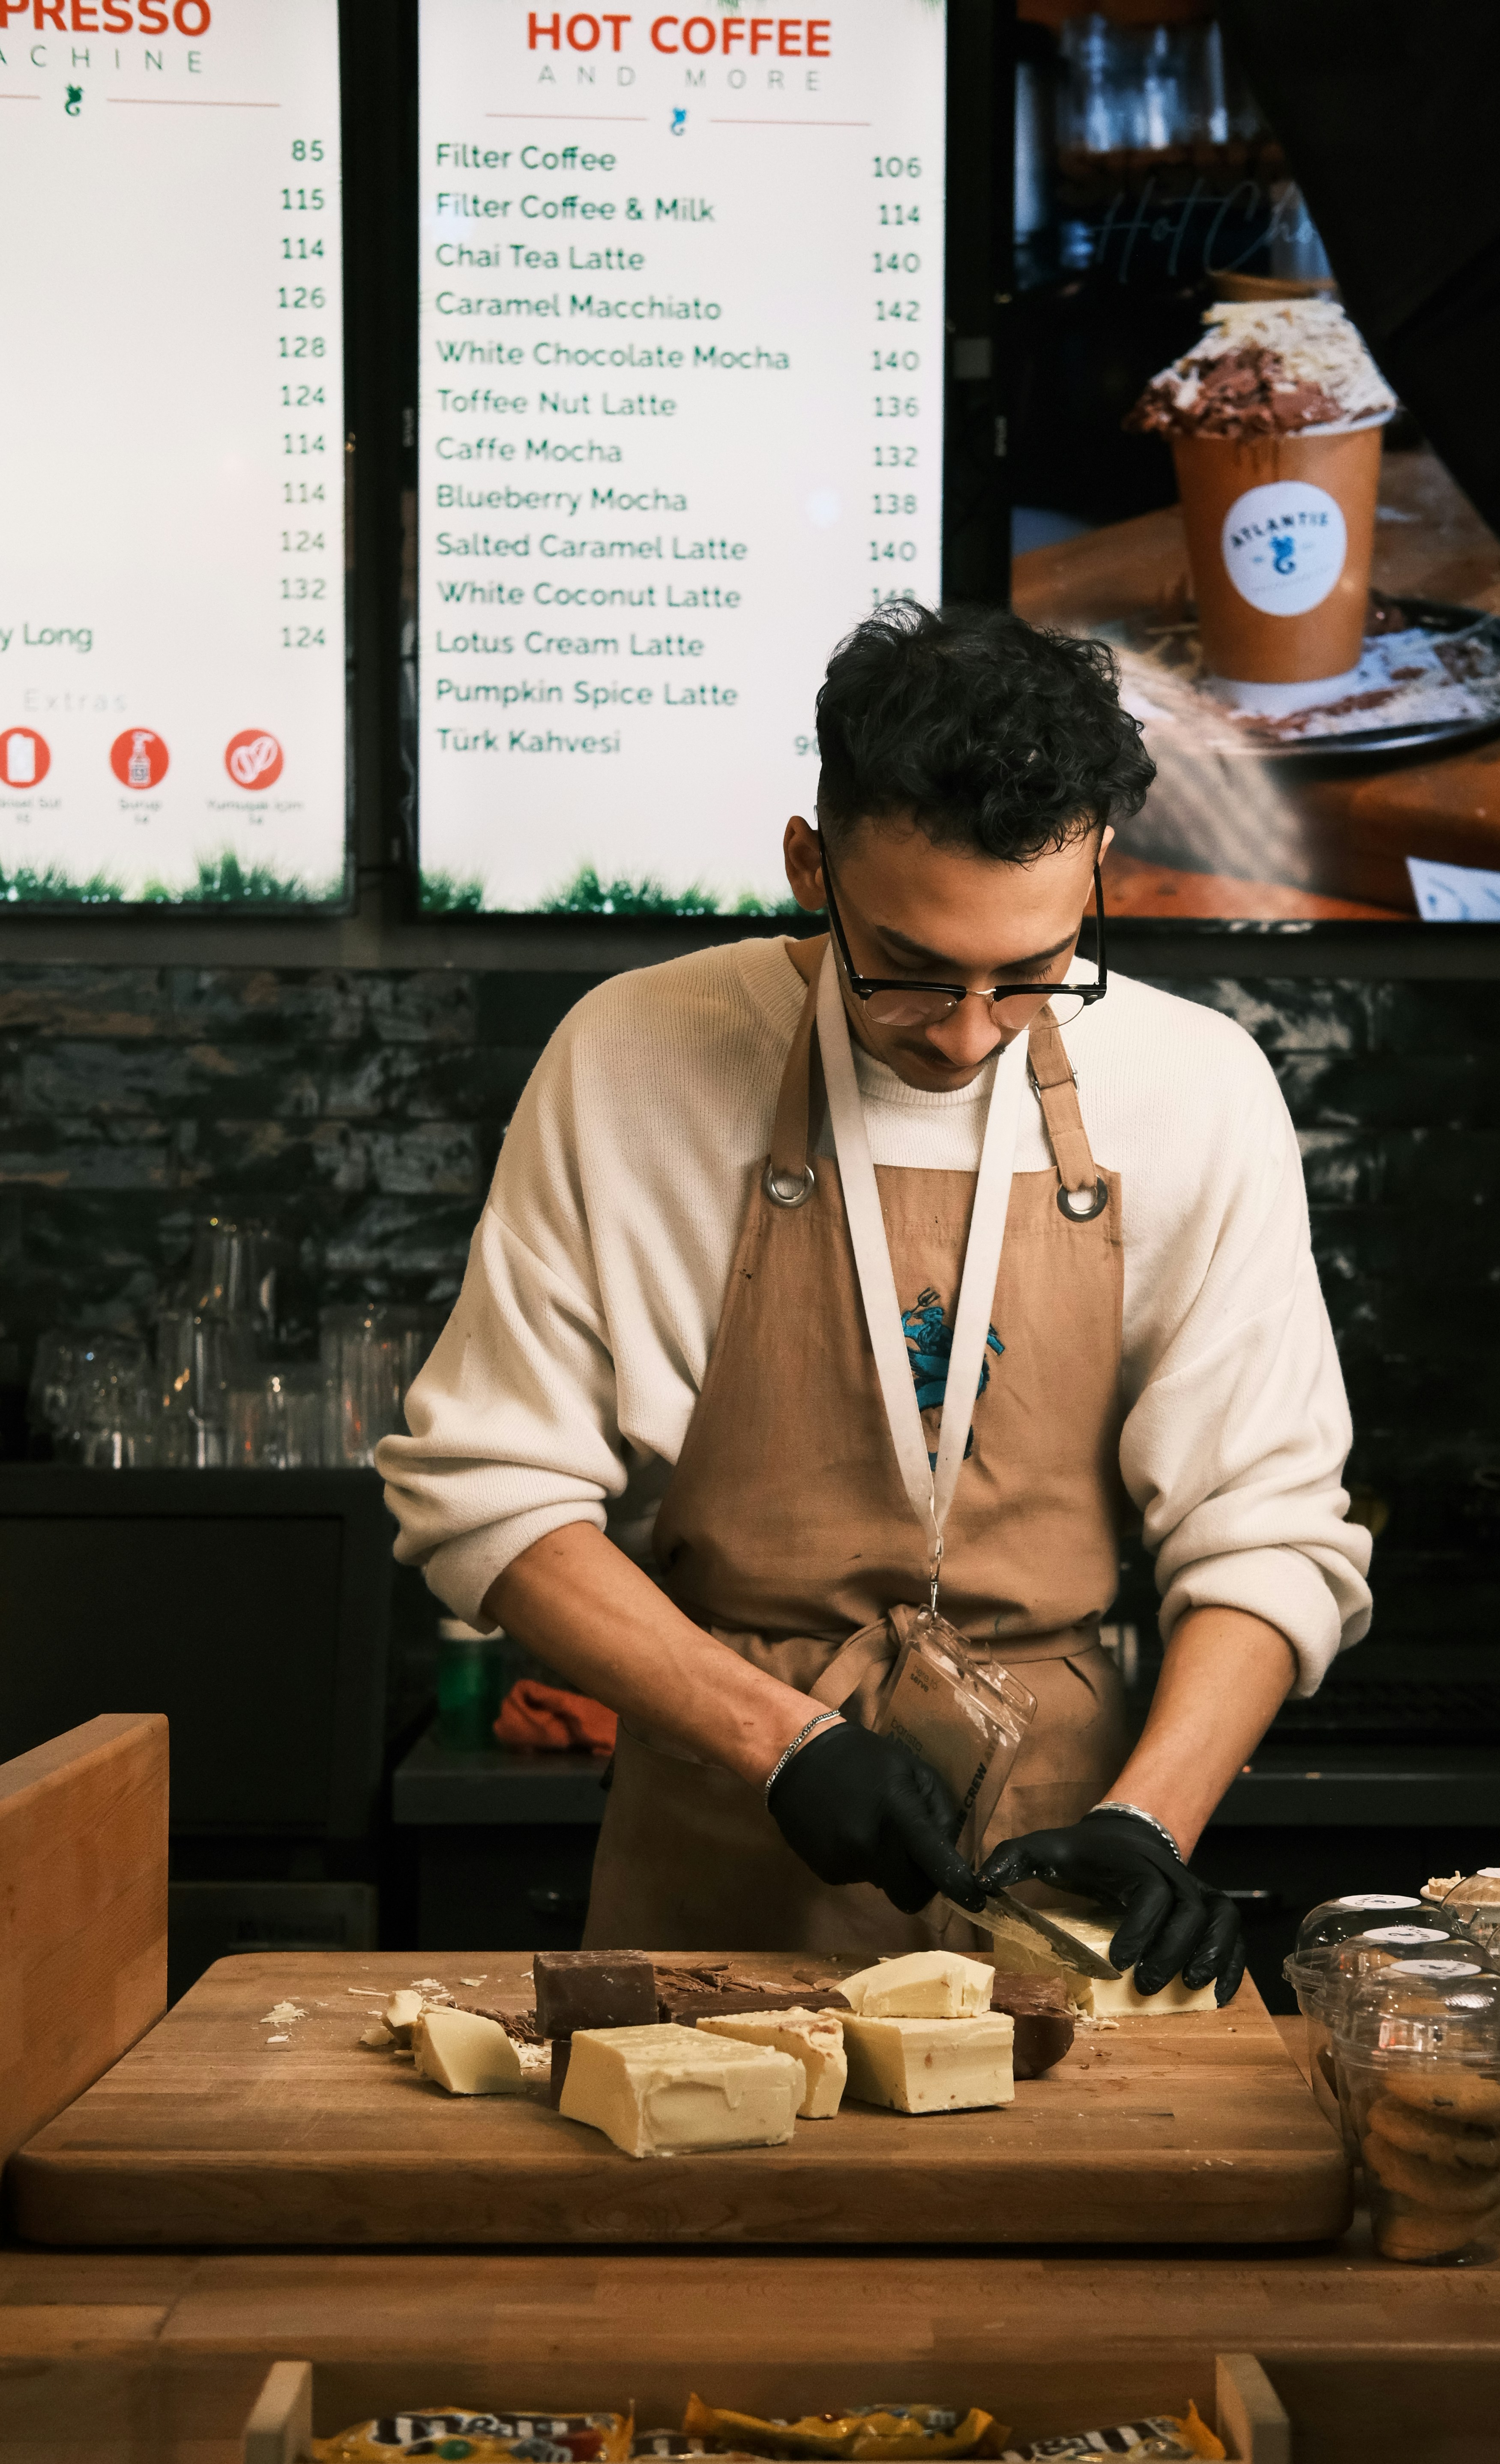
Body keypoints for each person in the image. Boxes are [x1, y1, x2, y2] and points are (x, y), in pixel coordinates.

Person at [379, 603, 1371, 2004]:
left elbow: (1268, 1532)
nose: (968, 1034)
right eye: (907, 968)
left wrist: (1152, 1819)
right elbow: (487, 1496)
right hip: (721, 1821)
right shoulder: (630, 1058)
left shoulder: (1200, 1089)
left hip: (1068, 1849)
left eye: (1030, 976)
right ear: (811, 865)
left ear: (1097, 870)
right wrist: (780, 1740)